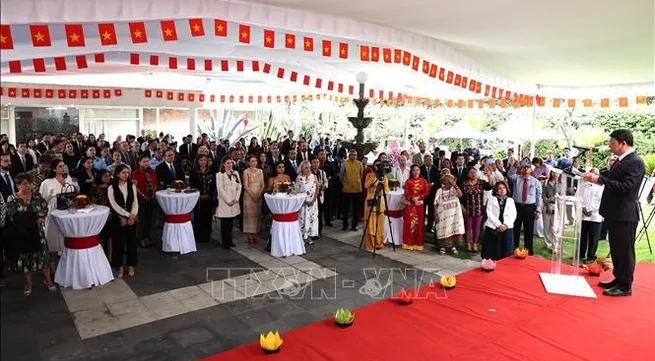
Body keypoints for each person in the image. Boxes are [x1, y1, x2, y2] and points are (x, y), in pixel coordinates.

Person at [582, 129, 644, 297]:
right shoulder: (621, 161)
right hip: (615, 212)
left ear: (623, 143)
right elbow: (613, 178)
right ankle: (618, 278)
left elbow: (626, 187)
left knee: (625, 250)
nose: (610, 146)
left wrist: (600, 180)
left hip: (625, 214)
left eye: (613, 143)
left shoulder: (635, 162)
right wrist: (597, 176)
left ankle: (625, 285)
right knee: (615, 248)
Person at [4, 173, 57, 296]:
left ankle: (48, 281)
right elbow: (15, 217)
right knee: (26, 260)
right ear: (18, 185)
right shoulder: (12, 199)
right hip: (22, 234)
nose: (28, 186)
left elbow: (44, 209)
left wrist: (33, 217)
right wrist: (34, 218)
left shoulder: (37, 196)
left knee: (44, 258)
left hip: (38, 233)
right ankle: (28, 284)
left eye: (29, 183)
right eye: (24, 184)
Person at [39, 159, 79, 260]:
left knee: (67, 236)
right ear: (54, 169)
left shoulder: (69, 178)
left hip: (68, 211)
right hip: (53, 211)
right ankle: (54, 264)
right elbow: (42, 200)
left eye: (64, 166)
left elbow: (74, 193)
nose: (63, 168)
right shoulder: (47, 182)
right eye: (60, 166)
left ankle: (67, 262)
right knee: (54, 238)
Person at [107, 164, 139, 279]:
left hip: (131, 218)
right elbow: (114, 204)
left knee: (131, 242)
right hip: (118, 218)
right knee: (118, 243)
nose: (126, 175)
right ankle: (119, 266)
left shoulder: (131, 185)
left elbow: (135, 201)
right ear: (117, 174)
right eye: (123, 172)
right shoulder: (111, 187)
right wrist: (126, 214)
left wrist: (133, 215)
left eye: (127, 172)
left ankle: (131, 265)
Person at [507, 164, 542, 255]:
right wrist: (515, 166)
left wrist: (538, 210)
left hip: (529, 207)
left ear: (531, 170)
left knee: (529, 230)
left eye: (528, 168)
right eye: (524, 167)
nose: (526, 169)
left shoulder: (535, 182)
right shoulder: (516, 178)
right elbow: (509, 174)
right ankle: (514, 249)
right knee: (516, 229)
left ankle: (528, 250)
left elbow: (539, 197)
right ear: (521, 170)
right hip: (517, 206)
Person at [481, 181, 517, 260]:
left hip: (506, 227)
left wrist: (506, 225)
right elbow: (489, 213)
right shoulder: (491, 199)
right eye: (500, 188)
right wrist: (498, 225)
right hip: (493, 226)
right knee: (492, 249)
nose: (502, 190)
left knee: (506, 249)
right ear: (496, 190)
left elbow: (513, 214)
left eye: (504, 188)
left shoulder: (510, 200)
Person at [461, 167, 493, 253]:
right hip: (467, 209)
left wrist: (489, 175)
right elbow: (461, 196)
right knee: (468, 227)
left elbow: (490, 186)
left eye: (474, 172)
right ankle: (468, 244)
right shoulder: (464, 183)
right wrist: (462, 206)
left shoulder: (481, 182)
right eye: (471, 172)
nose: (473, 174)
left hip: (479, 209)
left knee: (476, 228)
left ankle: (475, 244)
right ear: (468, 174)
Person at [433, 172, 464, 255]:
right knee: (443, 230)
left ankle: (453, 246)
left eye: (451, 178)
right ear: (443, 181)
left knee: (454, 229)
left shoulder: (454, 189)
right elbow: (435, 203)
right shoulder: (439, 191)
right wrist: (435, 214)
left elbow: (460, 195)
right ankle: (442, 247)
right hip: (443, 215)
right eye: (448, 178)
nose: (450, 180)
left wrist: (455, 185)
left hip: (454, 214)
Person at [579, 168, 604, 263]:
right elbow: (579, 196)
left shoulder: (601, 188)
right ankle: (580, 254)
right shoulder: (583, 186)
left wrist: (590, 210)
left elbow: (600, 202)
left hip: (595, 216)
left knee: (593, 238)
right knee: (582, 237)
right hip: (583, 215)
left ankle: (591, 256)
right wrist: (583, 208)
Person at [132, 155, 158, 247]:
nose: (146, 163)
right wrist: (143, 195)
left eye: (147, 161)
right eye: (144, 161)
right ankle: (141, 238)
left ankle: (147, 236)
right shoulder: (136, 172)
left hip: (151, 197)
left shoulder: (153, 171)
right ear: (139, 162)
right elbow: (135, 186)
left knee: (149, 218)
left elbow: (155, 183)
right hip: (141, 198)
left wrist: (153, 193)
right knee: (142, 219)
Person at [216, 157, 242, 249]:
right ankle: (225, 242)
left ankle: (230, 240)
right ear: (223, 164)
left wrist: (236, 198)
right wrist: (228, 200)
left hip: (234, 201)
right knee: (225, 223)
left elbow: (239, 186)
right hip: (225, 202)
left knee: (231, 223)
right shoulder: (220, 175)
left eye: (231, 163)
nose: (229, 165)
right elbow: (220, 189)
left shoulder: (235, 173)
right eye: (227, 163)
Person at [402, 165, 430, 251]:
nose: (416, 172)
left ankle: (418, 244)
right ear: (411, 172)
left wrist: (419, 197)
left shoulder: (423, 181)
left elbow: (426, 192)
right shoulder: (408, 181)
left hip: (420, 205)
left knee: (420, 224)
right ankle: (408, 243)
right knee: (409, 223)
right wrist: (412, 198)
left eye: (417, 170)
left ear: (420, 171)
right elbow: (406, 193)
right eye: (414, 170)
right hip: (410, 205)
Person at [363, 161, 389, 251]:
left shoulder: (384, 177)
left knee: (379, 224)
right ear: (373, 166)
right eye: (376, 165)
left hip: (380, 202)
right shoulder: (369, 175)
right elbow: (366, 185)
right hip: (370, 201)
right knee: (370, 224)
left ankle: (378, 243)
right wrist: (374, 177)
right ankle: (370, 244)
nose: (378, 167)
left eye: (380, 165)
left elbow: (386, 190)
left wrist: (380, 192)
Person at [242, 155, 264, 244]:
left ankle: (255, 235)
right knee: (249, 217)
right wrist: (253, 196)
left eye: (255, 161)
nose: (254, 162)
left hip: (258, 196)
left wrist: (258, 195)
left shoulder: (260, 171)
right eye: (252, 161)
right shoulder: (246, 172)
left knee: (256, 217)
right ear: (248, 162)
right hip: (249, 197)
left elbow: (262, 185)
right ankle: (249, 236)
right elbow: (246, 186)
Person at [296, 161, 319, 245]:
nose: (308, 169)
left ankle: (309, 237)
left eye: (309, 167)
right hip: (303, 203)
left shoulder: (314, 176)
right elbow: (298, 192)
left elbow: (317, 188)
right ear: (302, 169)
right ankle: (302, 237)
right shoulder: (299, 178)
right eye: (306, 167)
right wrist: (305, 201)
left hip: (313, 202)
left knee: (311, 219)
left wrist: (313, 200)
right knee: (303, 219)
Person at [541, 171, 560, 253]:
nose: (555, 175)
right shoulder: (545, 184)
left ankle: (555, 245)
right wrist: (548, 204)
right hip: (547, 206)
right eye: (553, 173)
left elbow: (559, 197)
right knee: (547, 226)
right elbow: (543, 196)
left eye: (556, 174)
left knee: (555, 227)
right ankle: (548, 243)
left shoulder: (559, 185)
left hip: (557, 206)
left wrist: (553, 199)